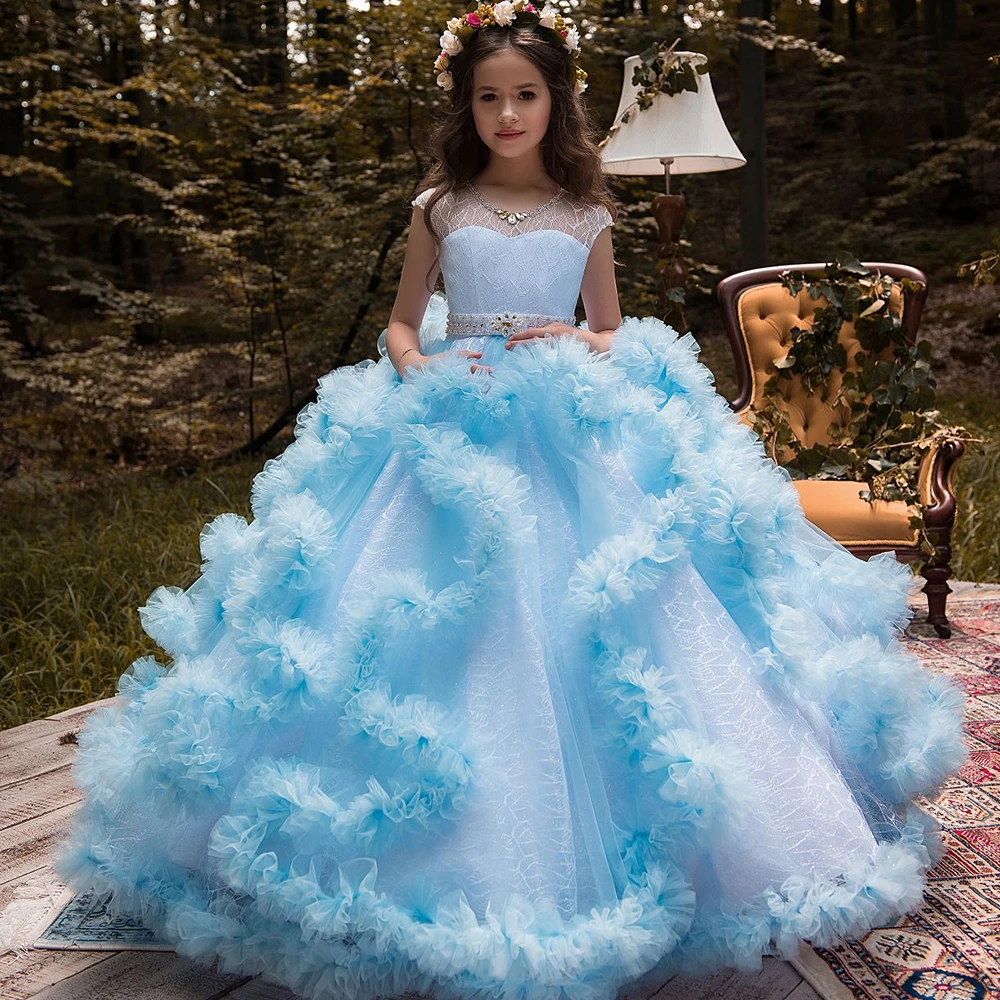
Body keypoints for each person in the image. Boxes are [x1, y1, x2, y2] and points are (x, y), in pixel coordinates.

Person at [54, 3, 967, 1000]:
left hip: (564, 424)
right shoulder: (439, 206)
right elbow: (405, 327)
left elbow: (610, 330)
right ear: (467, 105)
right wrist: (428, 375)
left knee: (613, 615)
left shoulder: (587, 213)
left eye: (523, 95)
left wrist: (567, 344)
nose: (506, 113)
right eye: (487, 97)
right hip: (452, 416)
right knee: (395, 607)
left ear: (553, 102)